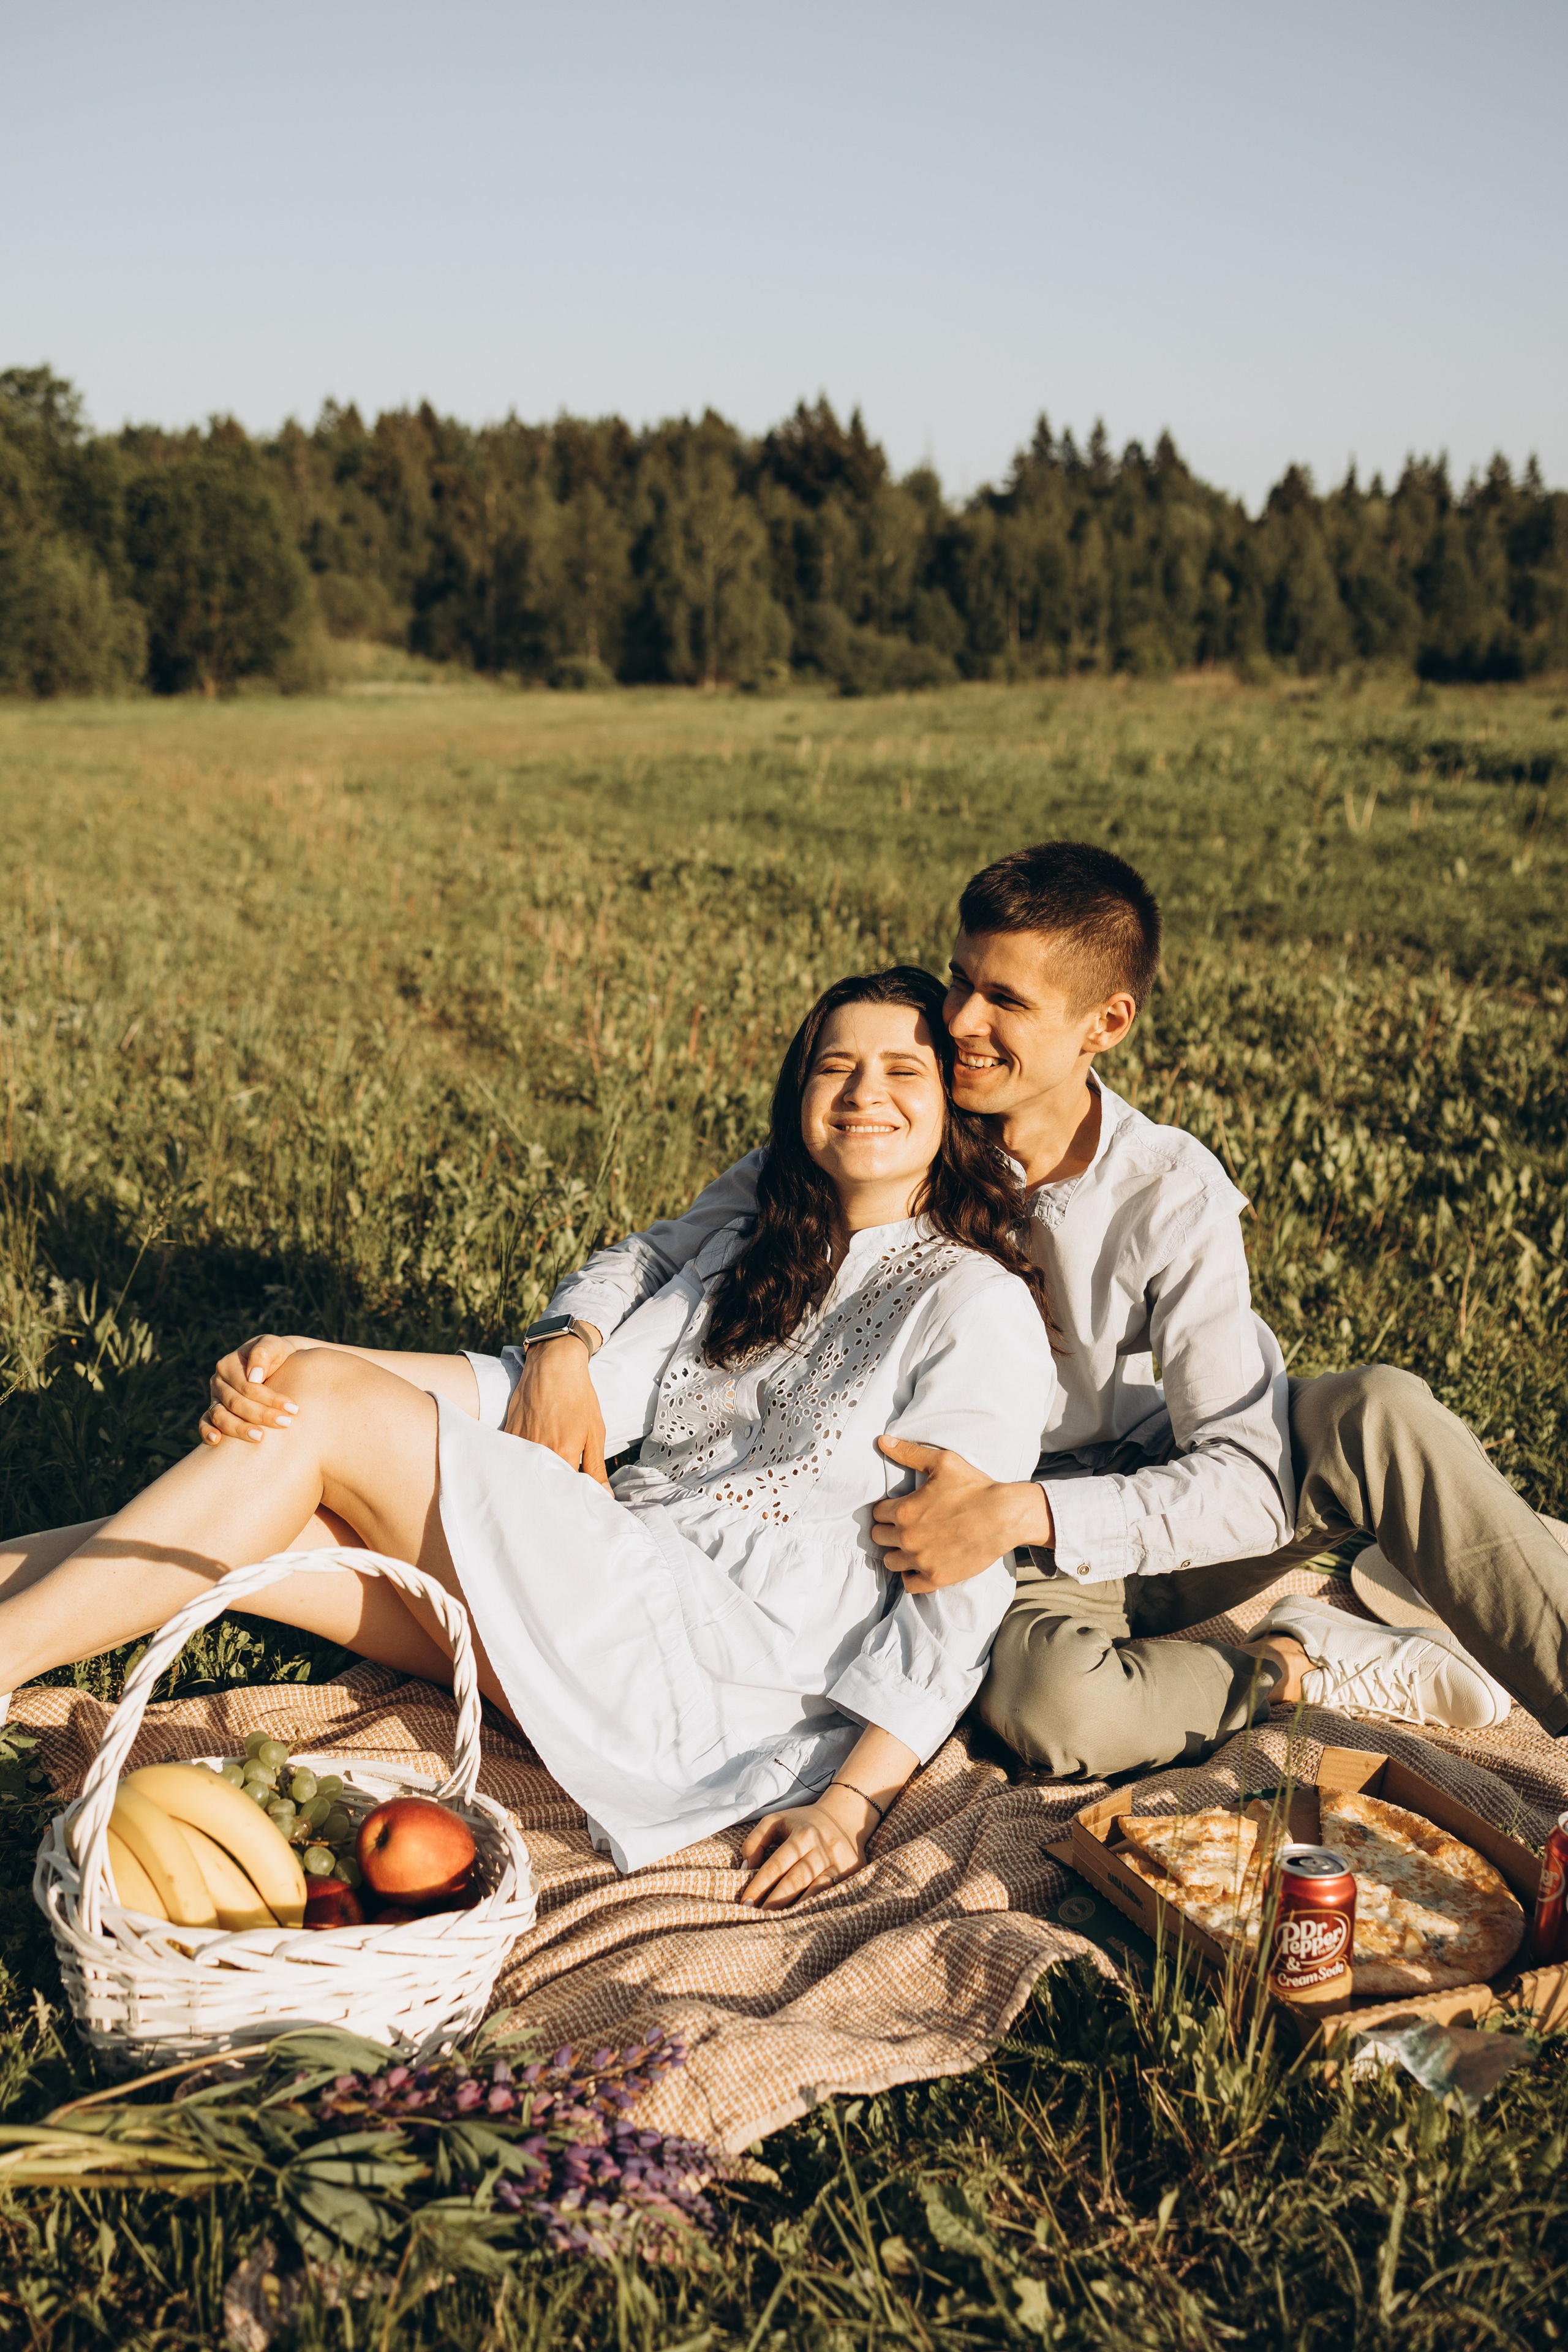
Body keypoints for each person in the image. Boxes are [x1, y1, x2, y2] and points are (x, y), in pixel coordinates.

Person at [477, 841, 1568, 1780]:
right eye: (960, 981)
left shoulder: (1167, 1192)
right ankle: (1296, 1662)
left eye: (1006, 1000)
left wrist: (1020, 1513)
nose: (958, 1020)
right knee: (1049, 1710)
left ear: (1107, 1023)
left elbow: (1241, 1475)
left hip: (1155, 1490)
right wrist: (563, 1344)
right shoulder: (890, 1108)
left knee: (1380, 1409)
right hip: (976, 1515)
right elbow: (672, 1247)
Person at [0, 970, 1054, 1902]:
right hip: (606, 1608)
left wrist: (854, 1805)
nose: (865, 1094)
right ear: (799, 1099)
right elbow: (540, 1392)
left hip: (720, 1681)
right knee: (285, 1507)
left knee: (315, 1404)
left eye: (902, 1072)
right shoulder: (753, 1255)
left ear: (952, 1108)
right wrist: (301, 1352)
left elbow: (963, 1589)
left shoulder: (972, 1306)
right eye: (835, 1067)